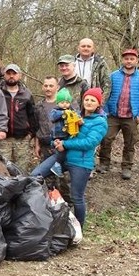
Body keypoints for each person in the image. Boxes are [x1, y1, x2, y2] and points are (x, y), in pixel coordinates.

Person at [31, 88, 107, 227]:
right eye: (87, 99)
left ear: (98, 104)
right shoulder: (75, 115)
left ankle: (78, 227)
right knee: (35, 175)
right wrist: (56, 142)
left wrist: (65, 144)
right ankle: (41, 213)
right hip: (62, 156)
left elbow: (90, 142)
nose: (89, 102)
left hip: (81, 162)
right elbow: (62, 133)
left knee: (77, 197)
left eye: (92, 100)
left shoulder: (100, 122)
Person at [97, 48, 139, 179]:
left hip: (131, 117)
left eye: (132, 59)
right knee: (106, 138)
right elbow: (106, 93)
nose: (129, 61)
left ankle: (126, 167)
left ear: (136, 61)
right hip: (113, 115)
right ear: (123, 60)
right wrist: (103, 111)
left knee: (130, 142)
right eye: (126, 59)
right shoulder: (113, 75)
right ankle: (104, 163)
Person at [0, 64, 38, 174]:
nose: (11, 76)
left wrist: (31, 133)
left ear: (20, 75)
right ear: (4, 75)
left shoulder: (26, 94)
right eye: (8, 73)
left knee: (21, 170)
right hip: (3, 139)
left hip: (22, 139)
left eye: (14, 74)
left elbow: (32, 115)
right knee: (2, 169)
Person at [45, 88, 82, 176]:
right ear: (58, 103)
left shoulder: (72, 110)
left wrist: (78, 119)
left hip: (68, 135)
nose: (65, 105)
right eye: (62, 102)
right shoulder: (55, 111)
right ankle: (57, 165)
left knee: (66, 152)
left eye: (67, 102)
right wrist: (63, 113)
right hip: (58, 135)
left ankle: (62, 166)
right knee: (60, 151)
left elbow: (77, 116)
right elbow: (52, 118)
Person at [34, 76, 60, 161]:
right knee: (43, 173)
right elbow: (37, 127)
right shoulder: (38, 106)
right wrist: (37, 145)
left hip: (60, 146)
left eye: (51, 86)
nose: (48, 88)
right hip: (44, 147)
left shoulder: (63, 105)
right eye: (46, 86)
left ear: (57, 87)